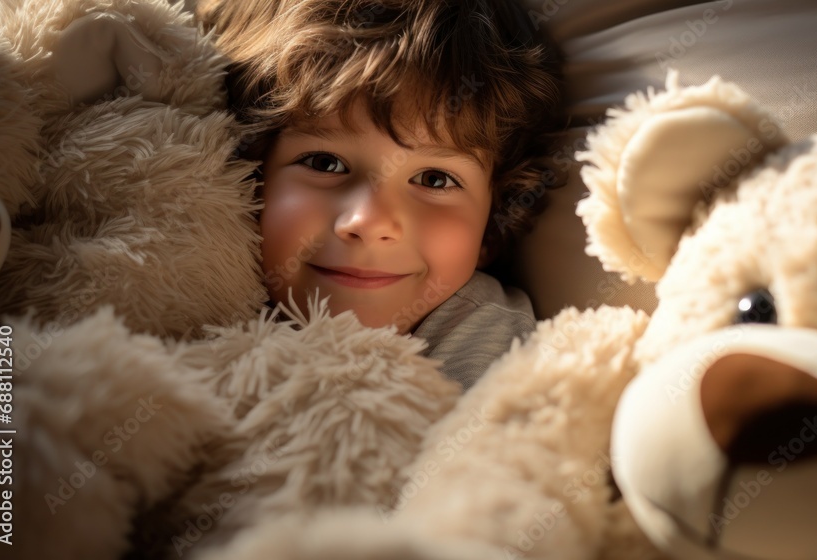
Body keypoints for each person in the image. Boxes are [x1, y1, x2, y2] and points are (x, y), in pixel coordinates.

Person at [196, 0, 564, 390]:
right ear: (246, 174)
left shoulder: (482, 337)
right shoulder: (192, 284)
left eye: (435, 179)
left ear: (491, 226)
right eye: (324, 163)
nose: (369, 222)